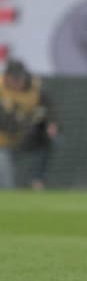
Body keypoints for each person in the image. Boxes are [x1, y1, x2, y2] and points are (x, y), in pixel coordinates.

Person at [0, 60, 57, 189]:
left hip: (23, 137)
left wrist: (51, 123)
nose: (17, 81)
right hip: (3, 141)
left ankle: (37, 180)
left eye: (19, 77)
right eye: (13, 77)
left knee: (48, 140)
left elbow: (48, 107)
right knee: (7, 184)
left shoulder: (35, 87)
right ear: (6, 76)